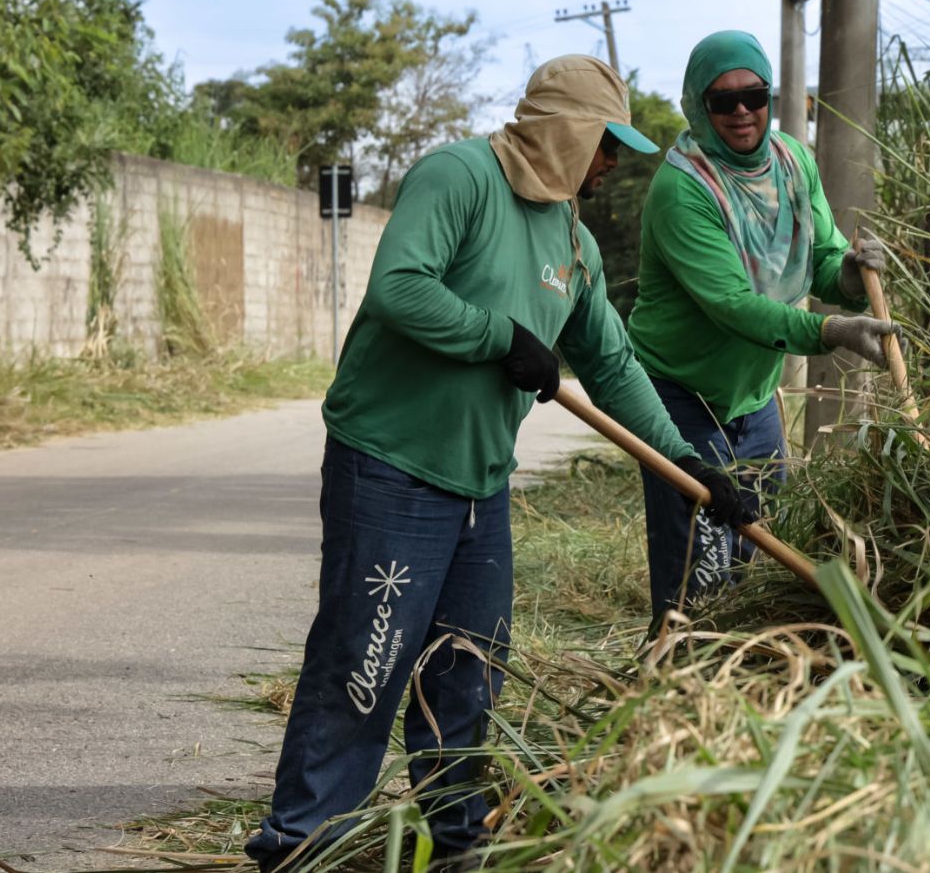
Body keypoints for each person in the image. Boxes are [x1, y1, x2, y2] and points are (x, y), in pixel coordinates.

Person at [244, 55, 747, 872]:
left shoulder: (574, 242)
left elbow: (614, 366)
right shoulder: (460, 176)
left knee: (470, 678)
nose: (612, 163)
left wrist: (688, 463)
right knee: (363, 668)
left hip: (481, 488)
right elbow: (399, 288)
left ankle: (458, 848)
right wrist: (501, 337)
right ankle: (301, 845)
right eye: (605, 143)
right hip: (393, 470)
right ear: (563, 132)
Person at [627, 31, 898, 621]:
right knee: (698, 567)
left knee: (753, 550)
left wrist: (849, 277)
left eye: (754, 96)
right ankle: (677, 684)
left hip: (753, 397)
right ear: (700, 107)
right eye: (724, 102)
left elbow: (821, 257)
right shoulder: (683, 190)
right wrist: (828, 332)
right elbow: (732, 304)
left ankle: (734, 684)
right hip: (679, 394)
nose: (743, 112)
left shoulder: (793, 163)